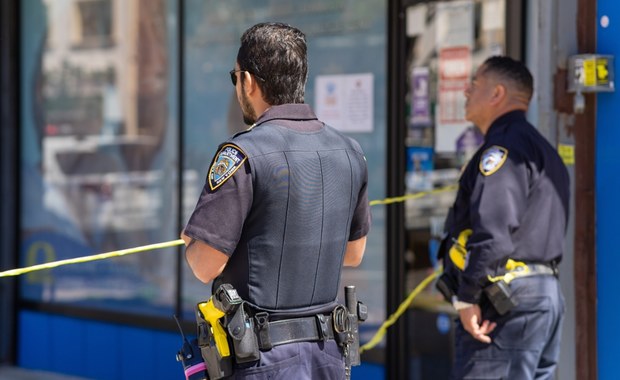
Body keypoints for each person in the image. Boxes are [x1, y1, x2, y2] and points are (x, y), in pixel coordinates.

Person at [181, 22, 371, 380]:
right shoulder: (350, 152)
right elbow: (353, 254)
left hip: (262, 362)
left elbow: (204, 265)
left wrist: (193, 242)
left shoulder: (242, 154)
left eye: (235, 77)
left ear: (249, 81)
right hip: (328, 355)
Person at [437, 56, 570, 379]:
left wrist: (467, 297)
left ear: (497, 93)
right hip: (543, 295)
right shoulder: (542, 150)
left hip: (507, 303)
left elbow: (494, 234)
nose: (467, 92)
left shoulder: (503, 151)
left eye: (476, 85)